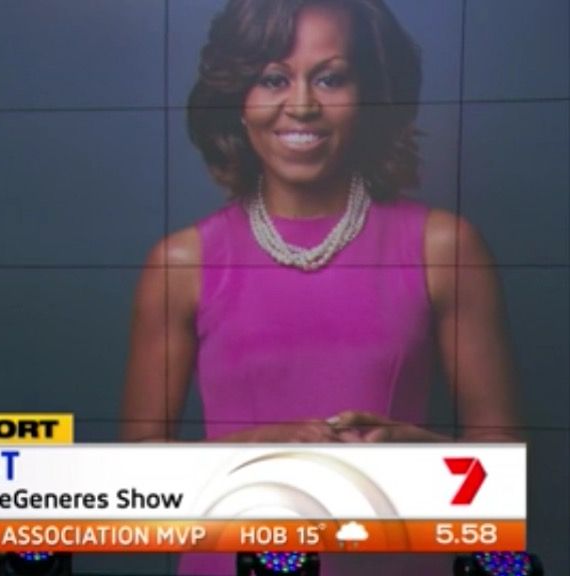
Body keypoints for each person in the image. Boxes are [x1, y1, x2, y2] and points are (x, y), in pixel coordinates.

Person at [121, 0, 519, 574]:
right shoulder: (181, 263)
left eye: (330, 78)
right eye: (272, 79)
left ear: (370, 93)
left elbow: (506, 484)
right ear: (237, 99)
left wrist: (417, 453)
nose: (303, 105)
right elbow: (136, 486)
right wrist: (266, 450)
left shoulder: (445, 247)